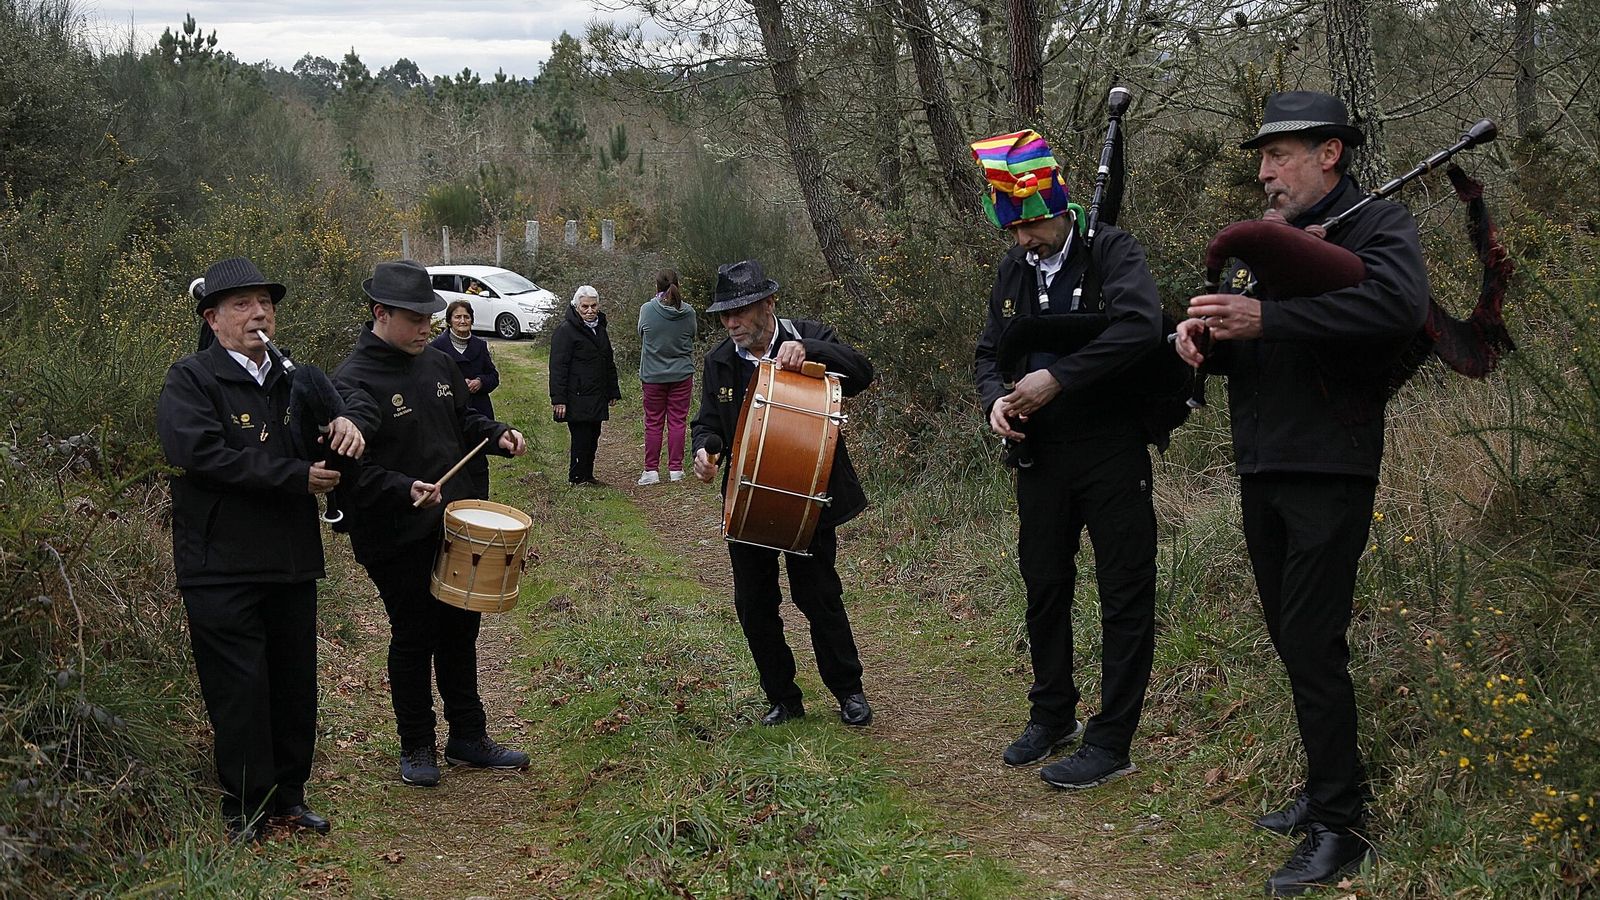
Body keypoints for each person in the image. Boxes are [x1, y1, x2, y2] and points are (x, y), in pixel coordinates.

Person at [1174, 91, 1430, 896]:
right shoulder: (1272, 246)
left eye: (1278, 155)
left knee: (1314, 645)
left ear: (1331, 153)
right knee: (1293, 640)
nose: (1264, 172)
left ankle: (1340, 826)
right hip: (1263, 462)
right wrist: (1206, 341)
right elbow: (1254, 340)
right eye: (1262, 157)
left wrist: (1266, 321)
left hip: (1330, 464)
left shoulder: (1378, 228)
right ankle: (1326, 788)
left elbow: (1397, 307)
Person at [970, 129, 1163, 791]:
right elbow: (989, 353)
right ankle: (1053, 715)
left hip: (1112, 450)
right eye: (1014, 229)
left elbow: (1142, 327)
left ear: (1060, 206)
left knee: (1124, 593)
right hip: (1041, 458)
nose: (1024, 240)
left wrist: (1060, 378)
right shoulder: (1012, 271)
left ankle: (1112, 741)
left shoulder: (1112, 251)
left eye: (1031, 225)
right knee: (1046, 586)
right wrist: (997, 398)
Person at [157, 256, 366, 841]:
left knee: (293, 682)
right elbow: (198, 455)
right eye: (243, 305)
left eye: (266, 304)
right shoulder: (191, 378)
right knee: (239, 690)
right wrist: (292, 477)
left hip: (290, 559)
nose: (259, 315)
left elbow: (324, 435)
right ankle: (246, 806)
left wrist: (343, 425)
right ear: (214, 317)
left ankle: (290, 799)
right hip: (219, 564)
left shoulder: (293, 378)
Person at [333, 259, 531, 788]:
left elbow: (464, 420)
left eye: (431, 316)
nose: (427, 327)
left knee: (461, 629)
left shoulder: (438, 364)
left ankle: (468, 736)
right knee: (414, 633)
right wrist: (404, 489)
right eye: (415, 318)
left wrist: (496, 432)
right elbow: (354, 475)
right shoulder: (353, 382)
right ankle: (417, 743)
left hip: (456, 525)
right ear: (380, 314)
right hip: (393, 535)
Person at [690, 259, 875, 728]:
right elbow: (709, 422)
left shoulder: (809, 334)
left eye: (741, 311)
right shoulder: (719, 361)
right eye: (724, 315)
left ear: (769, 304)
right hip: (749, 496)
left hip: (809, 494)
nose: (731, 323)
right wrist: (705, 450)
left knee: (818, 597)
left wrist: (809, 349)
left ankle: (848, 691)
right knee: (754, 605)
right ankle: (783, 697)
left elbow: (862, 372)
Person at [549, 284, 620, 486]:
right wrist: (559, 399)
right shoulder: (566, 331)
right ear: (576, 306)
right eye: (585, 307)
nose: (590, 311)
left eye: (593, 306)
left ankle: (588, 475)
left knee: (594, 435)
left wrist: (612, 390)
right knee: (580, 437)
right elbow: (558, 367)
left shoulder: (600, 328)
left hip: (597, 394)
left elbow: (608, 360)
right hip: (576, 395)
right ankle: (577, 477)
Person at [429, 299, 501, 498]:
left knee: (477, 462)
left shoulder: (479, 345)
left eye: (466, 317)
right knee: (452, 460)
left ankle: (480, 503)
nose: (462, 320)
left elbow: (493, 377)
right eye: (458, 317)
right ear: (450, 321)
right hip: (449, 414)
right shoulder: (437, 348)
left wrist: (480, 381)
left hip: (478, 411)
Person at [636, 269, 697, 485]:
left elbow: (641, 333)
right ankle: (676, 469)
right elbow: (692, 335)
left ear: (657, 286)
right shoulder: (688, 312)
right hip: (681, 374)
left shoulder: (647, 310)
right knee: (677, 422)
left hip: (653, 375)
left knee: (653, 422)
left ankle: (651, 470)